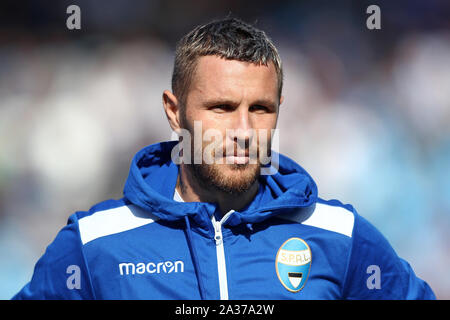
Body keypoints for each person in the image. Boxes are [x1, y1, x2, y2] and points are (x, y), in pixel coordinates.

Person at [12, 17, 435, 300]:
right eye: (221, 107)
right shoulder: (94, 245)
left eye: (261, 109)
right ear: (174, 111)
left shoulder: (340, 237)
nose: (243, 131)